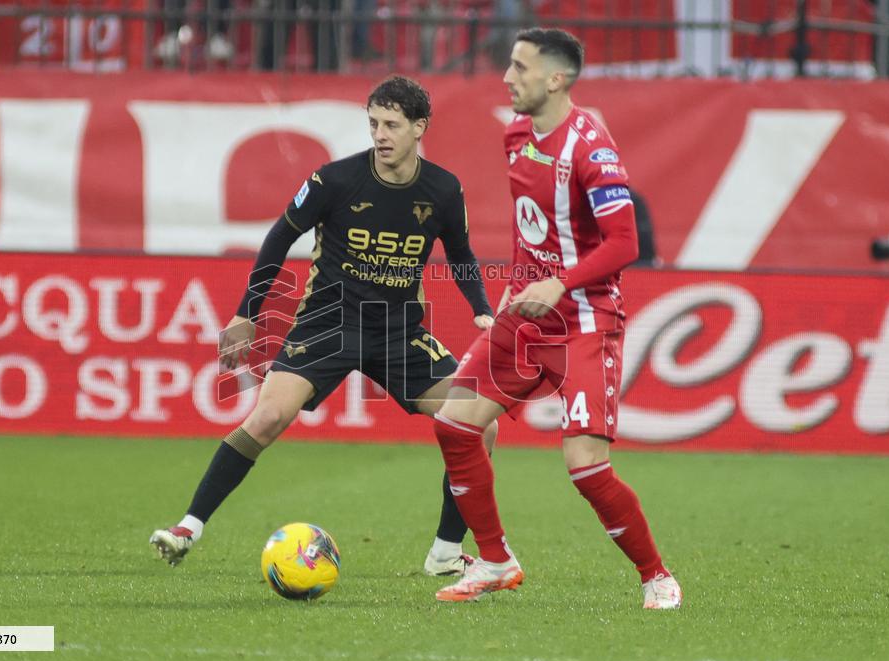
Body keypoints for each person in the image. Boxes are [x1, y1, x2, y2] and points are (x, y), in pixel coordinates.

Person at [150, 76, 519, 591]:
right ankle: (188, 528)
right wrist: (247, 314)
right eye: (373, 123)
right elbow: (279, 237)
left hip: (398, 331)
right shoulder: (335, 180)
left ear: (419, 128)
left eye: (392, 125)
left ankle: (446, 553)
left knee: (481, 424)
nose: (380, 134)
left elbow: (460, 254)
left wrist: (481, 308)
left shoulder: (442, 189)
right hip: (328, 323)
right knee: (268, 417)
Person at [432, 28, 682, 609]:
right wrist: (519, 285)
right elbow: (531, 224)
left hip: (584, 322)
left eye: (520, 67)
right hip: (525, 317)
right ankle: (495, 561)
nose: (507, 77)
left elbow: (625, 243)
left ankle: (656, 576)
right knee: (454, 423)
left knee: (585, 467)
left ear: (556, 79)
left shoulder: (592, 150)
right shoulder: (516, 133)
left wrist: (560, 282)